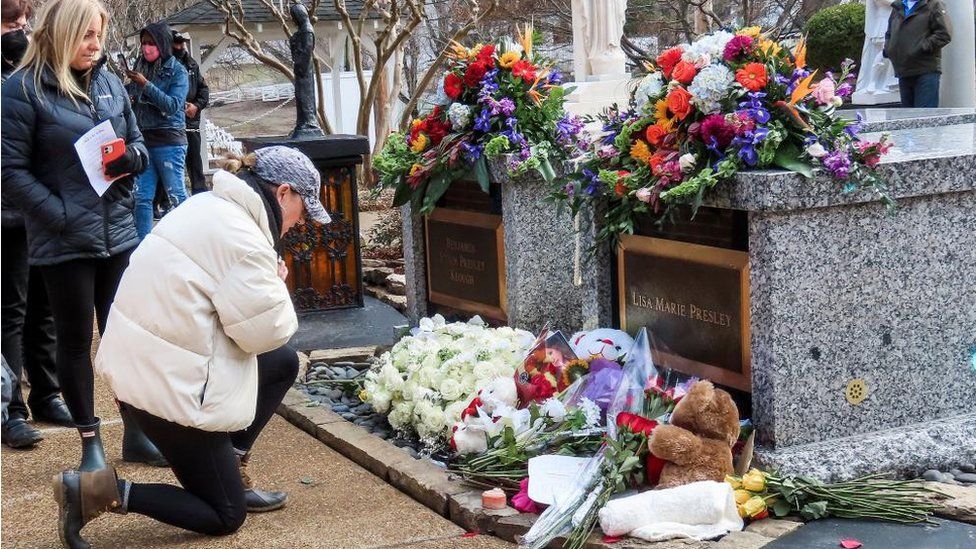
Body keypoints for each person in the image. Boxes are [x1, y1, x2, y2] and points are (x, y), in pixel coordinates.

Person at [53, 146, 331, 547]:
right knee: (225, 514)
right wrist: (277, 283)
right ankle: (94, 492)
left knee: (281, 364)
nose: (300, 222)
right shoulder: (244, 240)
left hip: (142, 366)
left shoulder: (207, 204)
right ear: (283, 192)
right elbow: (267, 332)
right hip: (164, 390)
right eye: (303, 210)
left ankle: (231, 468)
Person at [1, 0, 168, 470]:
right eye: (86, 35)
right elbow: (10, 171)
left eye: (99, 34)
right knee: (74, 341)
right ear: (61, 33)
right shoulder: (22, 90)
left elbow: (137, 141)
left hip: (117, 229)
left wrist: (131, 160)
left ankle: (136, 434)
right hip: (64, 238)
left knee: (125, 338)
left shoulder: (112, 82)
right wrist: (58, 213)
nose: (95, 45)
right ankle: (90, 444)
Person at [2, 0, 75, 450]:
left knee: (43, 307)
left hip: (40, 209)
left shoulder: (32, 73)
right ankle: (10, 408)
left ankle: (47, 392)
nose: (22, 31)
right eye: (12, 22)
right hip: (7, 211)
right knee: (10, 310)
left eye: (26, 22)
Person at [126, 21, 189, 239]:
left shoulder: (178, 72)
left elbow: (172, 105)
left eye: (152, 43)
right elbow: (134, 99)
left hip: (169, 140)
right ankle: (142, 245)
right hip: (144, 140)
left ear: (162, 44)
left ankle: (188, 240)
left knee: (176, 193)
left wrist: (146, 85)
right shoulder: (140, 66)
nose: (146, 48)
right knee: (142, 196)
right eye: (144, 43)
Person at [883, 0, 951, 108]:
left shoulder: (934, 5)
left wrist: (921, 47)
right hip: (903, 71)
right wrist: (889, 49)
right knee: (908, 118)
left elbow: (944, 34)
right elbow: (889, 33)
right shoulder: (898, 7)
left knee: (924, 117)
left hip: (925, 70)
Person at [172, 30, 209, 194]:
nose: (181, 46)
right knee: (172, 161)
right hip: (171, 122)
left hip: (191, 120)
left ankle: (200, 192)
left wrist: (196, 106)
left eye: (183, 42)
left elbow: (203, 90)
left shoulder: (192, 64)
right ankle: (166, 199)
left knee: (195, 159)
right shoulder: (164, 64)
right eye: (177, 43)